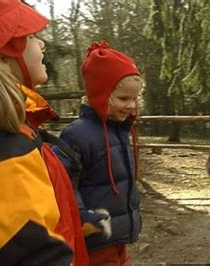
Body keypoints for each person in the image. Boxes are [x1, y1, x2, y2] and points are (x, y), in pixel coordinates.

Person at [0, 0, 89, 265]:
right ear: (3, 55)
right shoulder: (2, 151)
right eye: (31, 36)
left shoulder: (16, 129)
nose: (42, 44)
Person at [58, 40, 143, 265]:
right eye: (124, 98)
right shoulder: (78, 135)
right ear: (100, 95)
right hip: (95, 239)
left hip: (117, 237)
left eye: (134, 98)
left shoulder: (119, 130)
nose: (131, 105)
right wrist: (83, 216)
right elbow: (63, 183)